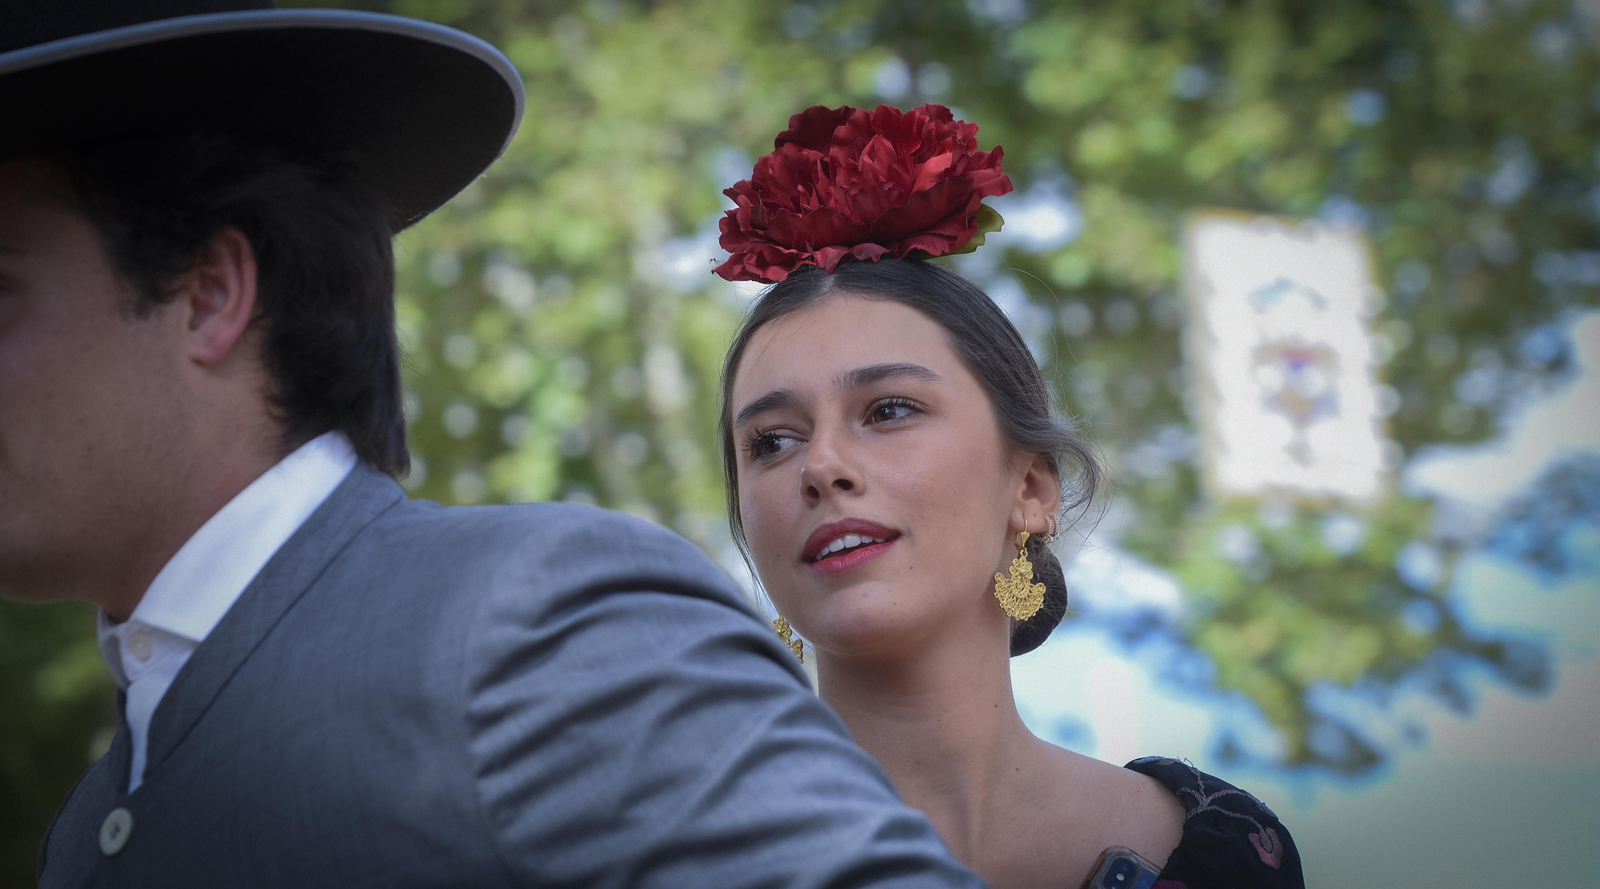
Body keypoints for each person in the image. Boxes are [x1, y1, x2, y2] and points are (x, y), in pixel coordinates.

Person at [2, 4, 991, 886]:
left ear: (209, 292)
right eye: (769, 438)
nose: (824, 466)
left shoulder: (532, 617)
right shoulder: (84, 826)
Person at [715, 103, 1305, 889]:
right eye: (772, 442)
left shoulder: (1227, 849)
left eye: (889, 409)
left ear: (1029, 487)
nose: (821, 464)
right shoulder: (648, 856)